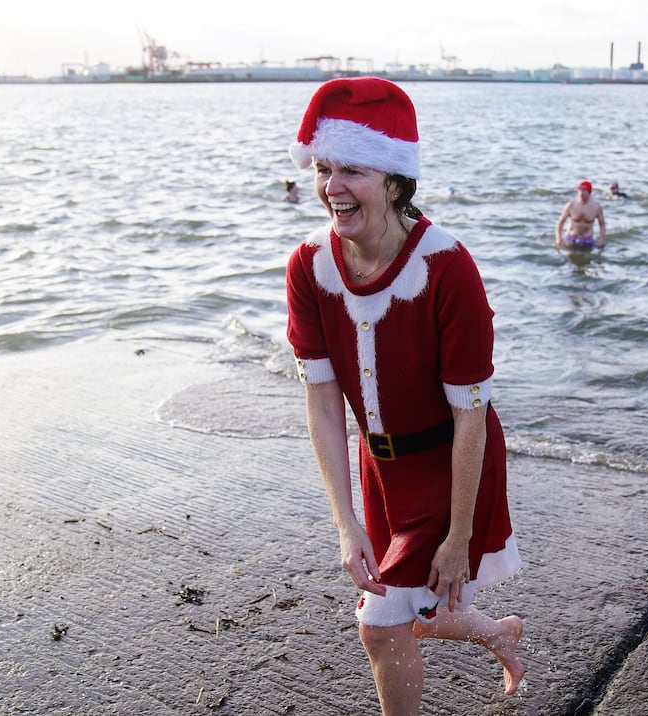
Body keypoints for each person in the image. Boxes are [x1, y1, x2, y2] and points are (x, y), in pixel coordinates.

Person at [285, 77, 524, 715]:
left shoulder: (448, 267)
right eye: (325, 167)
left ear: (394, 180)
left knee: (380, 623)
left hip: (452, 466)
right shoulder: (308, 265)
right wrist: (346, 523)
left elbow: (470, 415)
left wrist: (458, 535)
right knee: (410, 605)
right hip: (379, 470)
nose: (332, 186)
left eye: (353, 170)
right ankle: (498, 633)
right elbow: (322, 400)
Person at [555, 180, 606, 251]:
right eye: (579, 190)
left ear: (589, 192)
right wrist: (558, 238)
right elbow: (560, 222)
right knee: (571, 260)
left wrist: (602, 239)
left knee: (586, 260)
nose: (581, 193)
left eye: (584, 191)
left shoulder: (596, 207)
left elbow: (602, 224)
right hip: (571, 238)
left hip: (587, 240)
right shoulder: (571, 205)